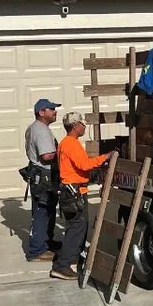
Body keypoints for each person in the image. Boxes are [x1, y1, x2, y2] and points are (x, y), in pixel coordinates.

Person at [51, 111, 110, 281]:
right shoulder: (71, 144)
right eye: (83, 125)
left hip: (73, 190)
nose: (84, 127)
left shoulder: (66, 143)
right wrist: (104, 157)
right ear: (75, 126)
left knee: (78, 227)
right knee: (76, 228)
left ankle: (71, 259)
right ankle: (63, 266)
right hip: (74, 192)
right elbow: (84, 165)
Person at [24, 98, 62, 262]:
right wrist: (64, 154)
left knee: (48, 210)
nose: (55, 112)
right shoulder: (41, 130)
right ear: (41, 112)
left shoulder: (34, 128)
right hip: (44, 177)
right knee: (42, 212)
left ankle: (46, 242)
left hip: (39, 175)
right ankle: (37, 251)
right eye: (52, 109)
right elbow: (46, 156)